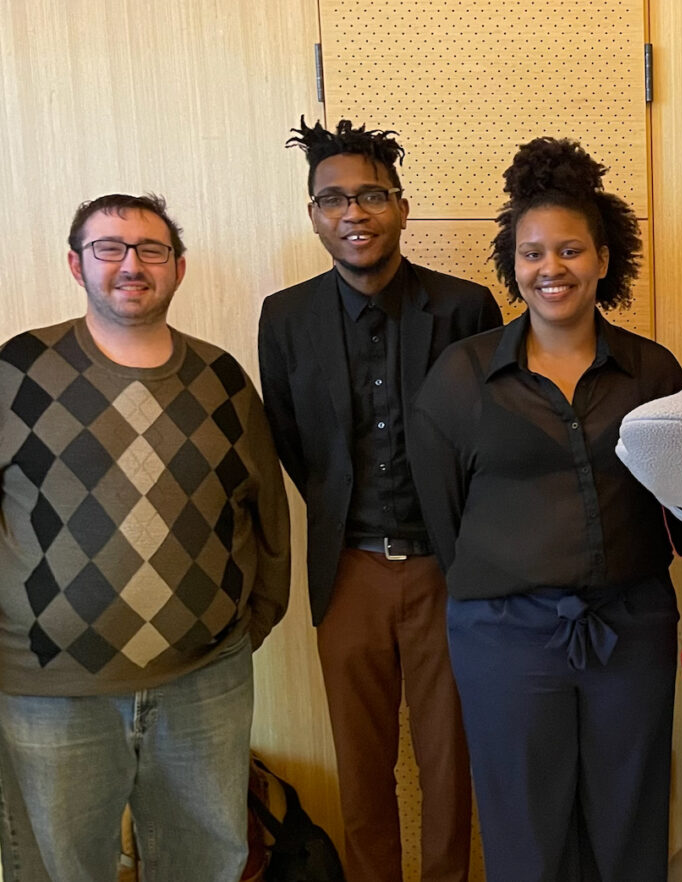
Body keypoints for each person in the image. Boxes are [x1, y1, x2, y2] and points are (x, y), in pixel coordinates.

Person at [408, 137, 682, 882]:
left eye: (569, 250)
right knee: (525, 830)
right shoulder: (461, 377)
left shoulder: (653, 371)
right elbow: (446, 517)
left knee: (629, 818)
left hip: (630, 629)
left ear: (603, 257)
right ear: (512, 265)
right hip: (503, 637)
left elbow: (681, 507)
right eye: (532, 253)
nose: (550, 269)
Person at [0, 194, 290, 880]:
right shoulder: (17, 373)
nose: (131, 264)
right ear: (77, 264)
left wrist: (240, 628)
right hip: (48, 691)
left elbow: (267, 516)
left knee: (206, 864)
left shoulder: (222, 381)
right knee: (58, 870)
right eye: (109, 248)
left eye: (150, 249)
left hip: (202, 684)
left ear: (177, 269)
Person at [258, 119, 499, 882]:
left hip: (446, 568)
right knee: (362, 771)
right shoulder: (285, 317)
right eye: (333, 199)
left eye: (369, 196)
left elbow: (488, 438)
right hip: (349, 571)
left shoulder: (465, 309)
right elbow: (292, 442)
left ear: (400, 206)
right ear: (313, 214)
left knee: (447, 763)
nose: (352, 213)